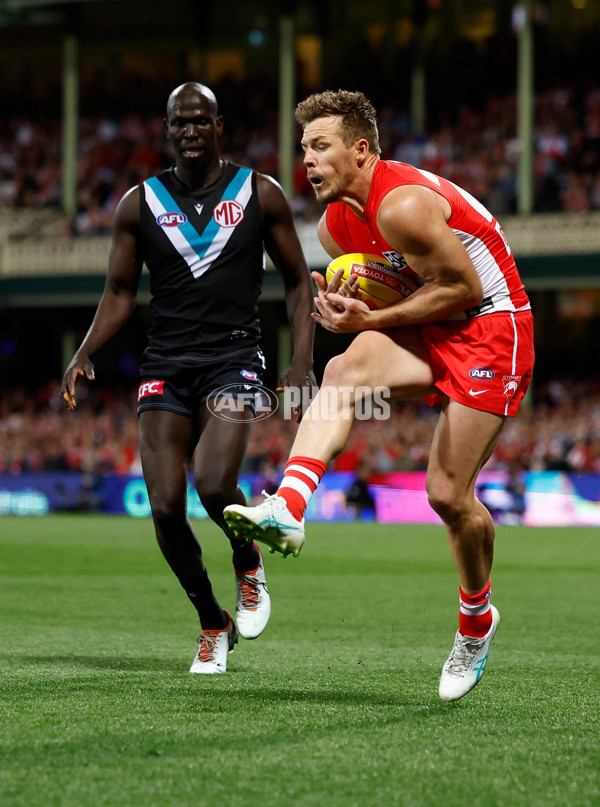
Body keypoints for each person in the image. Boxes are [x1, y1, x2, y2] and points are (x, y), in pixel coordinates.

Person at [224, 89, 534, 701]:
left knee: (447, 495)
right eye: (303, 148)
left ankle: (477, 620)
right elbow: (404, 289)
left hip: (492, 327)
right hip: (437, 322)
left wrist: (366, 320)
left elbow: (463, 289)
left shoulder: (403, 205)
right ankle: (287, 506)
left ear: (361, 150)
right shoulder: (338, 222)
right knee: (343, 372)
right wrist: (360, 311)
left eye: (321, 146)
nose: (307, 160)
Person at [61, 82, 316, 674]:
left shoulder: (259, 193)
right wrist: (85, 350)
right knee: (166, 510)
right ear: (167, 129)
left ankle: (247, 562)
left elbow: (301, 283)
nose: (190, 131)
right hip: (166, 368)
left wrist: (302, 363)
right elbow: (120, 293)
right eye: (180, 123)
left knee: (212, 483)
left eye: (201, 121)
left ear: (220, 126)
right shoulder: (139, 205)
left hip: (233, 360)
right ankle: (211, 622)